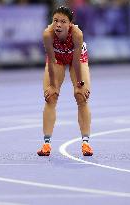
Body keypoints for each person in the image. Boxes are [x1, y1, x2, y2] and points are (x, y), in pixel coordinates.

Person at [37, 6, 93, 157]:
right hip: (57, 59)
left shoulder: (77, 34)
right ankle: (46, 144)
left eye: (63, 21)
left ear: (70, 24)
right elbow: (50, 60)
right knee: (51, 96)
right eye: (55, 21)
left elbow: (75, 63)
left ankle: (86, 143)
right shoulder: (47, 34)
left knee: (81, 96)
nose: (58, 25)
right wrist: (53, 85)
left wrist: (80, 84)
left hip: (77, 58)